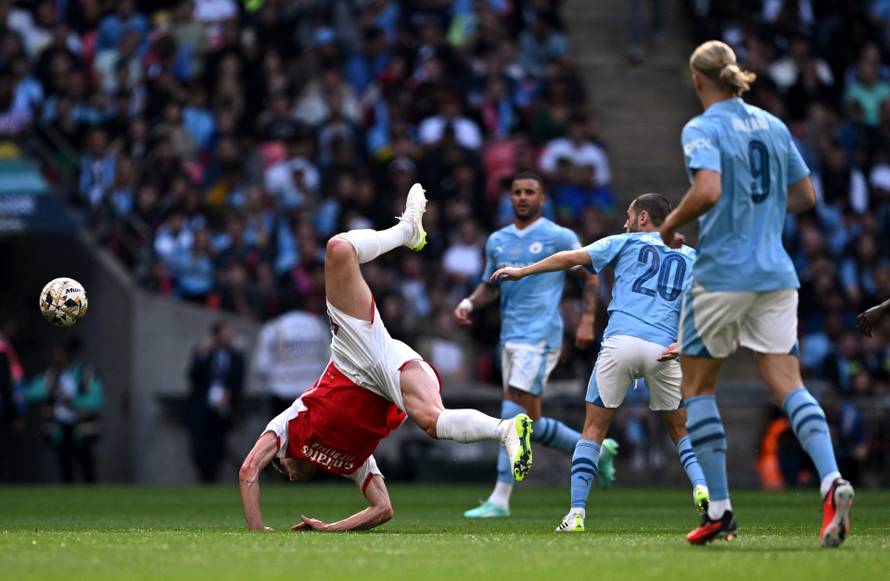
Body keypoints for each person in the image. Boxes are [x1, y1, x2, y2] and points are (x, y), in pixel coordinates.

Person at [238, 184, 533, 532]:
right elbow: (383, 509)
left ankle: (406, 230)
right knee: (433, 422)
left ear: (285, 458)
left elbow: (248, 469)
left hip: (353, 357)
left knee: (338, 248)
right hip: (386, 375)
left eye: (282, 468)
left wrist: (258, 531)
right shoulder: (351, 462)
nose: (288, 475)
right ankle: (506, 430)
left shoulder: (289, 427)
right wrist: (329, 530)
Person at [658, 40, 854, 547]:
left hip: (722, 273)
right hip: (775, 274)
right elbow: (807, 195)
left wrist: (671, 224)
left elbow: (708, 191)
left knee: (698, 388)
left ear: (698, 81)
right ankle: (832, 479)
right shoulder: (773, 124)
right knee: (789, 384)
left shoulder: (701, 127)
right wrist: (761, 217)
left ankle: (720, 510)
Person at [491, 193, 709, 533]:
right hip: (663, 348)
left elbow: (568, 258)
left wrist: (523, 271)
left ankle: (576, 513)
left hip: (620, 343)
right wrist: (684, 343)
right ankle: (701, 486)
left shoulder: (625, 241)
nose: (624, 221)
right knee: (679, 430)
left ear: (641, 219)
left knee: (593, 430)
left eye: (628, 214)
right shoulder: (691, 257)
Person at [454, 172, 602, 519]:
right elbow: (489, 285)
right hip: (510, 337)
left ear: (542, 198)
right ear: (511, 198)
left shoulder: (558, 235)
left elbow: (590, 275)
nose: (522, 197)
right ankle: (597, 450)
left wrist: (586, 319)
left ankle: (500, 499)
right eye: (517, 192)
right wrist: (470, 303)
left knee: (512, 416)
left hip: (540, 337)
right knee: (529, 421)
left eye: (529, 192)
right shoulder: (498, 240)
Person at [26, 337, 103, 483]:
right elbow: (30, 392)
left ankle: (92, 498)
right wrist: (49, 390)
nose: (55, 357)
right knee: (65, 468)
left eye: (59, 353)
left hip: (82, 427)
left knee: (87, 466)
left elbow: (96, 399)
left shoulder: (85, 372)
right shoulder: (52, 375)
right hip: (60, 428)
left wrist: (73, 401)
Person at [187, 320, 245, 482]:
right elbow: (193, 377)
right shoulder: (204, 352)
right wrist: (201, 355)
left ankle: (212, 478)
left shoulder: (236, 356)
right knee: (199, 446)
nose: (230, 335)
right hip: (202, 406)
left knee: (218, 445)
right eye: (227, 331)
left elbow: (238, 382)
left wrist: (229, 395)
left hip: (223, 408)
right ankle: (204, 476)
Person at [252, 296, 330, 416]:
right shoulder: (318, 325)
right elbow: (328, 360)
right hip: (311, 395)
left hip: (281, 395)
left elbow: (262, 366)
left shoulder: (272, 328)